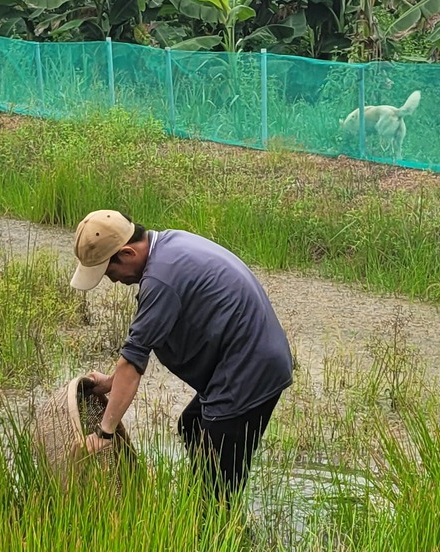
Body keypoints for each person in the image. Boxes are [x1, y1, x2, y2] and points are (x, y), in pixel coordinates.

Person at [68, 209, 292, 495]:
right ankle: (205, 505)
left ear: (126, 254)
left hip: (250, 370)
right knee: (192, 425)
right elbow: (137, 351)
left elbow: (133, 362)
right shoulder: (170, 245)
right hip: (250, 359)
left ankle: (216, 522)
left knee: (217, 482)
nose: (112, 280)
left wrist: (104, 433)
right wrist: (111, 382)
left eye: (109, 271)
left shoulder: (160, 280)